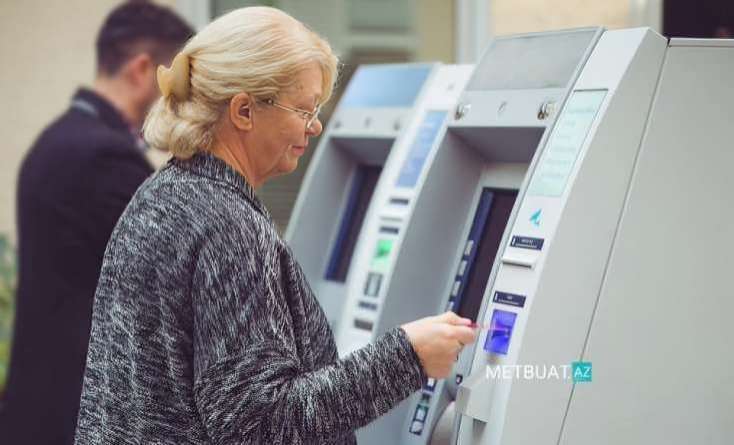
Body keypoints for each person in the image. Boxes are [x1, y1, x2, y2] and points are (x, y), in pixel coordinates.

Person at [74, 6, 477, 445]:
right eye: (303, 109)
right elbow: (261, 424)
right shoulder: (228, 226)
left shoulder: (161, 195)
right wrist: (408, 356)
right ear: (244, 110)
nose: (316, 126)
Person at [0, 2, 192, 444]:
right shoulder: (101, 156)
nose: (178, 103)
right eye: (176, 85)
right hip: (77, 415)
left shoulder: (59, 138)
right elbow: (178, 273)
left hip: (43, 405)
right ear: (142, 70)